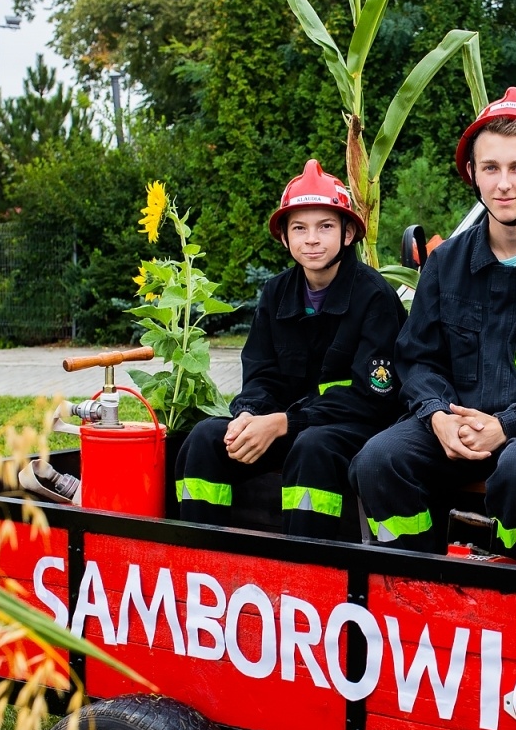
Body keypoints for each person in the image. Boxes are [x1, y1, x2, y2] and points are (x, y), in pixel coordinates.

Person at [349, 88, 516, 553]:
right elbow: (417, 357)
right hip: (455, 424)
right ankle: (416, 583)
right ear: (472, 173)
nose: (504, 184)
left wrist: (508, 423)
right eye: (491, 168)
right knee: (378, 460)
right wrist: (436, 416)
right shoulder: (445, 262)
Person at [172, 160, 406, 540]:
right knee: (205, 438)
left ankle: (304, 573)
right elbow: (261, 374)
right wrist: (247, 416)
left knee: (313, 447)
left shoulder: (374, 296)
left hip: (352, 432)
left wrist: (284, 423)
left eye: (325, 226)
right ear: (284, 237)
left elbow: (373, 398)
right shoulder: (276, 292)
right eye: (299, 228)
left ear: (348, 234)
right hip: (286, 427)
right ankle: (200, 558)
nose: (312, 239)